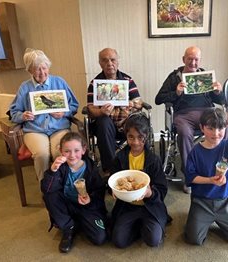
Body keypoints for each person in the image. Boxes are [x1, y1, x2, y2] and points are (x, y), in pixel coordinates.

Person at [155, 46, 225, 194]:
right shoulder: (174, 77)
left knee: (224, 124)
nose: (193, 63)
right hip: (183, 115)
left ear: (200, 60)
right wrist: (176, 93)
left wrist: (218, 92)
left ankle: (216, 165)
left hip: (207, 113)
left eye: (196, 59)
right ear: (183, 59)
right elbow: (158, 99)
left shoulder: (205, 75)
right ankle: (189, 175)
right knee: (184, 132)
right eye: (190, 59)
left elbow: (220, 100)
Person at [184, 108, 228, 245]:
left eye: (220, 128)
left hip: (223, 202)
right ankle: (198, 217)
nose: (216, 134)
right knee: (193, 239)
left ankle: (216, 218)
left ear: (226, 127)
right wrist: (210, 180)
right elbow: (191, 177)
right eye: (210, 128)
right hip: (201, 202)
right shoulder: (195, 151)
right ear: (202, 128)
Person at [9, 48, 79, 182]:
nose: (42, 72)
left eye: (44, 67)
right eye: (37, 69)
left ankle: (65, 183)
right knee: (42, 154)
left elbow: (74, 105)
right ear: (30, 70)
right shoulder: (25, 87)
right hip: (35, 130)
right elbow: (13, 113)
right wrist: (23, 115)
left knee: (60, 152)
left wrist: (64, 112)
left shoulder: (59, 82)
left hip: (59, 128)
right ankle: (46, 186)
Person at [41, 132, 107, 253]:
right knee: (49, 194)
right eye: (67, 151)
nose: (72, 155)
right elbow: (47, 189)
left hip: (86, 207)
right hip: (67, 204)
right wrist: (53, 171)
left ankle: (78, 221)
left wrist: (90, 199)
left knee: (99, 238)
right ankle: (69, 226)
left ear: (83, 150)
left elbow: (100, 191)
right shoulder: (60, 167)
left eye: (76, 150)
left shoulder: (91, 169)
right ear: (61, 151)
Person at [110, 113, 168, 248]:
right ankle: (136, 225)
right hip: (127, 206)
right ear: (126, 136)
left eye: (140, 137)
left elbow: (162, 188)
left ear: (146, 136)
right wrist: (112, 190)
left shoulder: (153, 159)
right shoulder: (120, 157)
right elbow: (113, 179)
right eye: (131, 137)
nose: (135, 142)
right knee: (119, 241)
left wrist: (151, 193)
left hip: (150, 206)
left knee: (153, 241)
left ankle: (145, 225)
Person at [87, 48, 142, 175]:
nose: (109, 63)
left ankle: (136, 165)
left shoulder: (127, 80)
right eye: (105, 60)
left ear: (118, 62)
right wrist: (100, 112)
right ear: (100, 63)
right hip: (106, 125)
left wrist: (132, 103)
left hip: (126, 121)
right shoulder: (95, 83)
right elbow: (90, 109)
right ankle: (111, 169)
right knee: (103, 121)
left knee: (138, 122)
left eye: (112, 60)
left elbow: (139, 103)